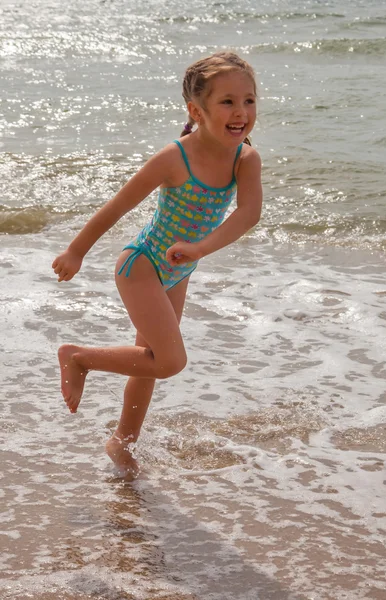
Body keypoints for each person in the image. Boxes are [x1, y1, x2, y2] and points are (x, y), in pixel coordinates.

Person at [52, 51, 263, 479]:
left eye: (249, 100)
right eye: (227, 101)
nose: (241, 112)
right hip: (143, 265)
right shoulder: (175, 157)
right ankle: (79, 358)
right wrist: (76, 250)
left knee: (147, 360)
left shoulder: (245, 158)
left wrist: (200, 249)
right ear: (196, 111)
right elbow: (119, 204)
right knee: (168, 361)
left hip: (179, 269)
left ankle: (122, 442)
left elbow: (248, 213)